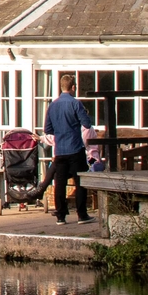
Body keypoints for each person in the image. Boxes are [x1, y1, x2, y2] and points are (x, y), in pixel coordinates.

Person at [44, 75, 93, 226]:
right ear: (73, 87)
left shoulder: (52, 105)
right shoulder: (75, 103)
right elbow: (87, 124)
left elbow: (47, 129)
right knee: (80, 183)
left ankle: (60, 216)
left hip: (59, 150)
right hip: (75, 148)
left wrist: (60, 130)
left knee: (60, 183)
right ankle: (82, 215)